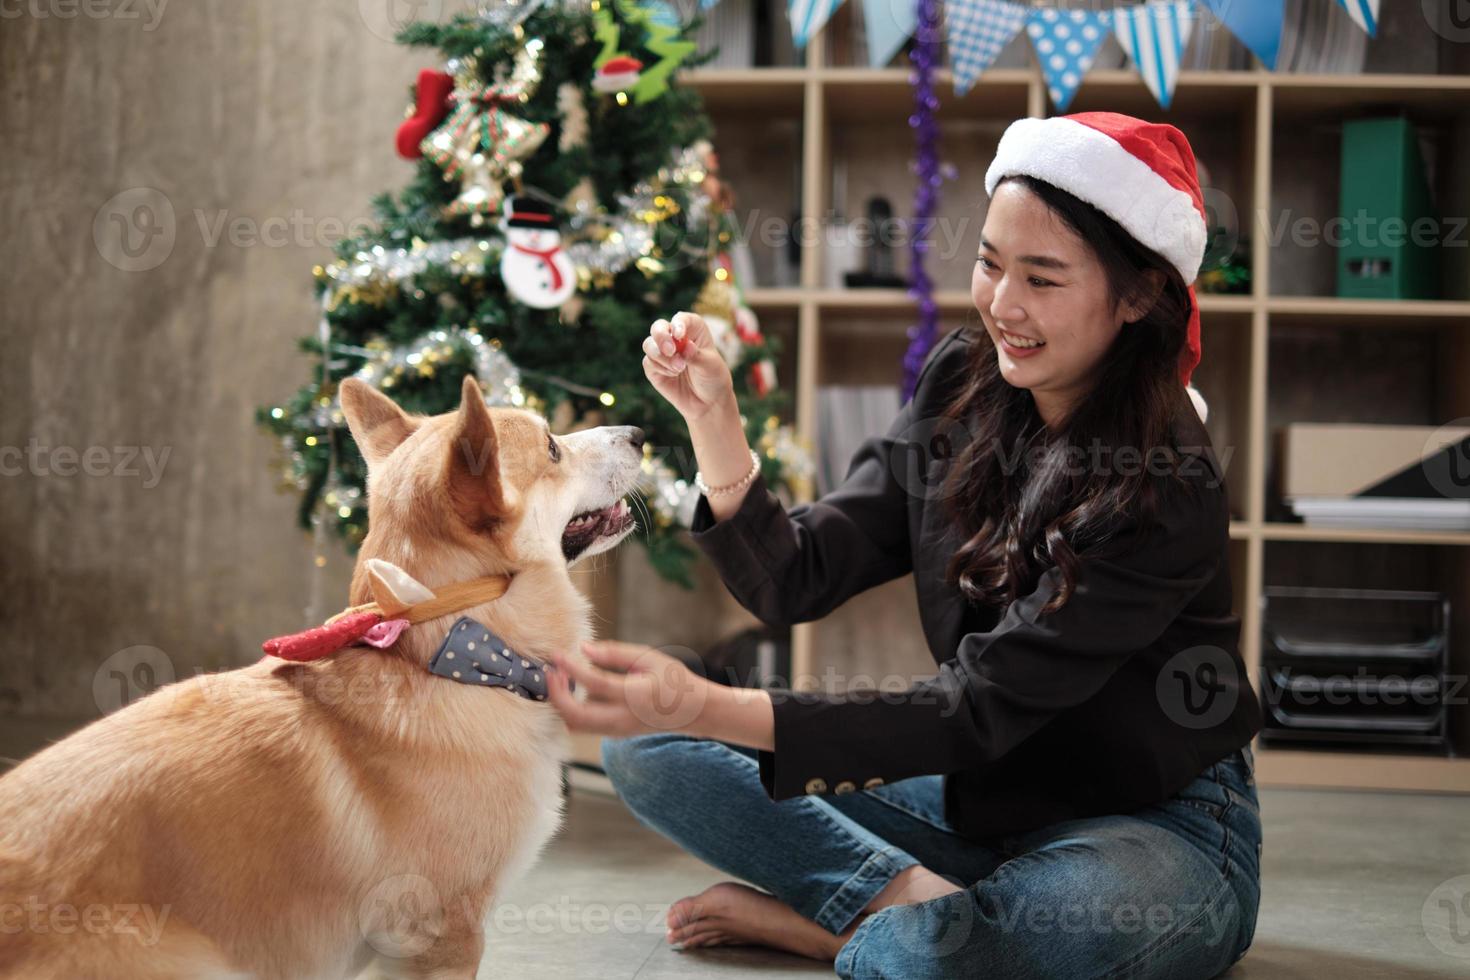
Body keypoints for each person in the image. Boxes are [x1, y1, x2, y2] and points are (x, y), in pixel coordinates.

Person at [543, 111, 1264, 979]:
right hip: (978, 801)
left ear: (1138, 294)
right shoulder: (964, 383)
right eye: (991, 263)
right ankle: (920, 912)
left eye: (1044, 278)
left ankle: (850, 927)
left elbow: (974, 709)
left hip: (1153, 824)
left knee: (1066, 931)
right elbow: (795, 577)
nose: (1003, 304)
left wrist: (702, 701)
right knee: (650, 746)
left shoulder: (1165, 478)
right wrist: (714, 420)